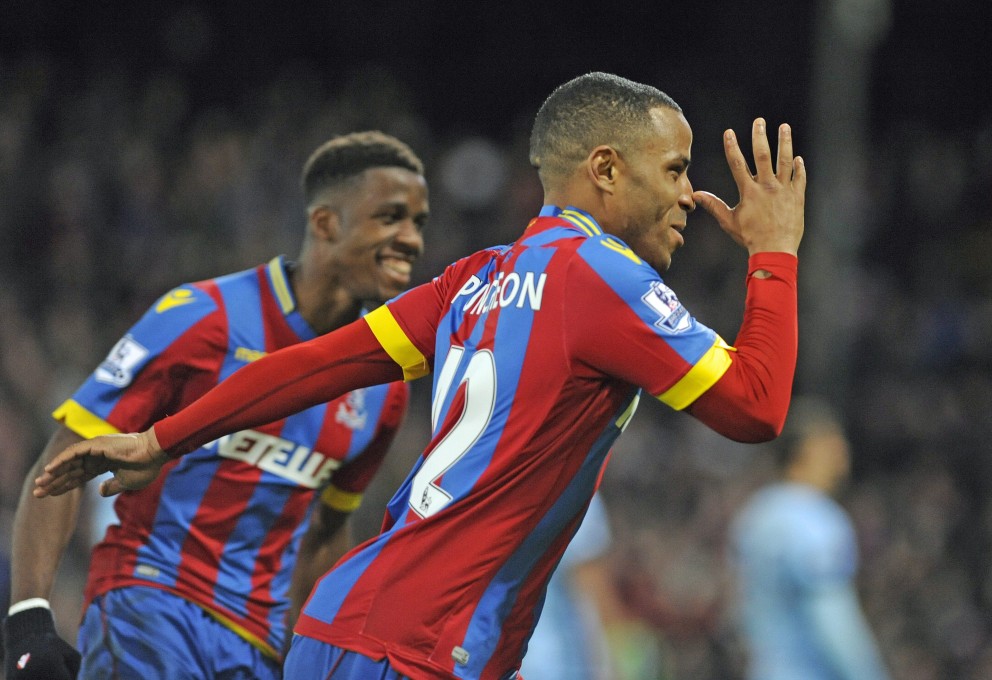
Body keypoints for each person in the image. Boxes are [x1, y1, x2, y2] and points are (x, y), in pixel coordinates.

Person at [35, 71, 806, 680]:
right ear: (606, 168)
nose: (687, 195)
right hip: (430, 648)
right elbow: (755, 409)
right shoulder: (603, 276)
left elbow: (311, 365)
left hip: (339, 626)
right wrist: (773, 256)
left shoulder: (471, 279)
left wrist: (162, 440)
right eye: (674, 169)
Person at [4, 130, 430, 679]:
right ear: (326, 223)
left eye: (418, 223)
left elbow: (326, 533)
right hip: (149, 605)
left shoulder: (385, 388)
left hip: (256, 648)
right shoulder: (203, 317)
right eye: (391, 217)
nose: (412, 240)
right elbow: (60, 463)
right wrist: (29, 619)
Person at [728, 396, 891, 680]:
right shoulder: (817, 521)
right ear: (807, 450)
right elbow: (833, 621)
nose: (843, 458)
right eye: (833, 447)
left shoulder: (755, 514)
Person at [519, 491, 615, 680]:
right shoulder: (575, 481)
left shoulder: (488, 481)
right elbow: (590, 596)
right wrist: (604, 669)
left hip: (499, 662)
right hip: (559, 665)